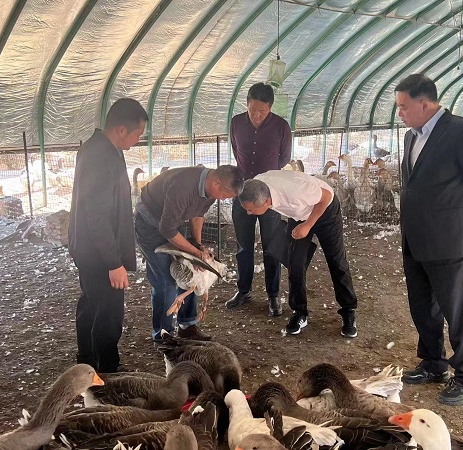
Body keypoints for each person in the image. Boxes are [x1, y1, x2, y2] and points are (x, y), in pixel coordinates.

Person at [395, 74, 463, 406]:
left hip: (449, 239)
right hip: (415, 236)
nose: (400, 113)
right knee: (423, 306)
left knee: (457, 310)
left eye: (403, 107)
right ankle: (433, 363)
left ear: (424, 104)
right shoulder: (411, 136)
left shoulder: (462, 132)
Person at [68, 98, 148, 373]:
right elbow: (97, 215)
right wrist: (114, 263)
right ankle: (107, 372)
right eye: (138, 134)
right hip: (99, 253)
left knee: (91, 304)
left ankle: (87, 361)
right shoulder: (101, 157)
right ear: (122, 129)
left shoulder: (100, 148)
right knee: (109, 314)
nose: (138, 140)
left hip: (89, 249)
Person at [238, 170, 359, 337]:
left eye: (251, 210)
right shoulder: (257, 183)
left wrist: (308, 225)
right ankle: (299, 312)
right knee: (295, 263)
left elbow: (326, 196)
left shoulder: (296, 191)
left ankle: (348, 310)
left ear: (266, 202)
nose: (248, 213)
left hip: (325, 211)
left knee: (336, 260)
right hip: (299, 214)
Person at [135, 165, 244, 341]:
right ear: (217, 183)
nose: (224, 199)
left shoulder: (209, 190)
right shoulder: (183, 187)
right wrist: (196, 253)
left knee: (191, 273)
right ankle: (163, 336)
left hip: (171, 222)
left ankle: (187, 326)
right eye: (226, 195)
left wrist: (197, 246)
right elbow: (167, 230)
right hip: (149, 224)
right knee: (165, 282)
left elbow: (197, 214)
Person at [226, 82, 292, 317]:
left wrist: (266, 177)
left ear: (270, 108)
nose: (256, 115)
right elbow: (236, 150)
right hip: (242, 191)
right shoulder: (236, 123)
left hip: (269, 195)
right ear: (246, 104)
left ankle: (273, 295)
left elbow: (284, 158)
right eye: (252, 109)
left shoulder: (281, 127)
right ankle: (243, 290)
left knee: (271, 245)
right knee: (243, 245)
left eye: (262, 111)